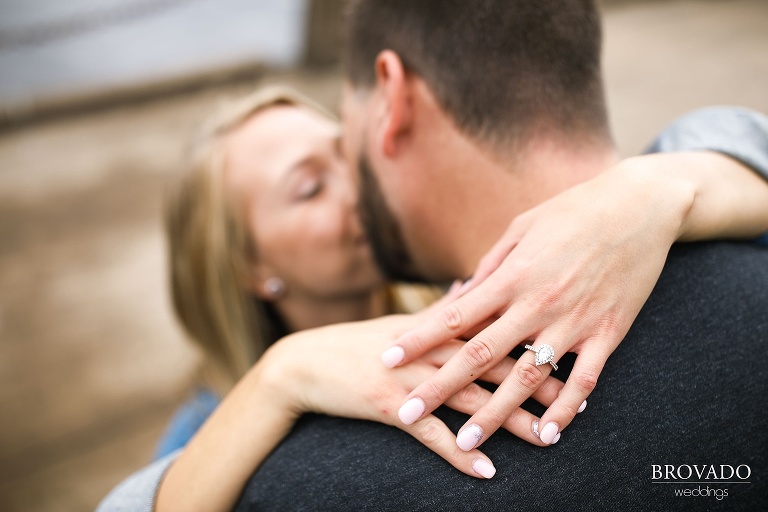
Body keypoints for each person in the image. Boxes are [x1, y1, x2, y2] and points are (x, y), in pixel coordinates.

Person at [224, 0, 765, 510]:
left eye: (346, 144)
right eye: (309, 186)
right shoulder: (746, 245)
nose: (351, 192)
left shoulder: (302, 483)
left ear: (392, 98)